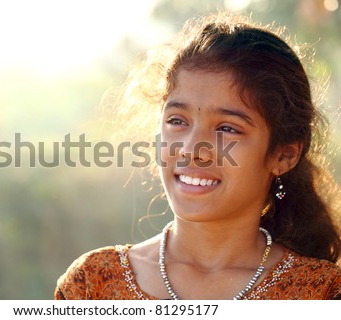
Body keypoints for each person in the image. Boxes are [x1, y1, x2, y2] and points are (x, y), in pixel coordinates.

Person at [54, 12, 341, 300]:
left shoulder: (323, 293)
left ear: (284, 155)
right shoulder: (92, 284)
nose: (191, 149)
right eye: (177, 121)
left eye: (227, 128)